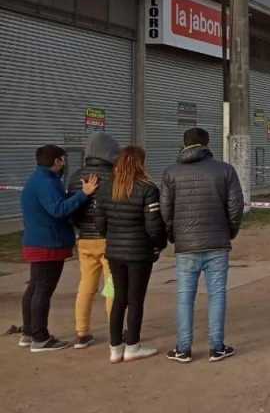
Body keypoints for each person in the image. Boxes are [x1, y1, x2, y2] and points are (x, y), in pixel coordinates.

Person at [162, 128, 244, 363]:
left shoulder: (171, 173)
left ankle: (183, 348)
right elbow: (235, 207)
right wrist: (230, 231)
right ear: (207, 144)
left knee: (184, 296)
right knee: (217, 294)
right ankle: (216, 347)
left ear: (184, 143)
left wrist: (173, 234)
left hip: (186, 244)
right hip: (218, 241)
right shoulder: (225, 170)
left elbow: (166, 211)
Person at [19, 145, 99, 352]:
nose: (64, 164)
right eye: (63, 160)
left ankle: (29, 332)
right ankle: (40, 337)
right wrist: (84, 194)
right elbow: (58, 209)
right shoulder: (46, 182)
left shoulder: (36, 180)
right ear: (57, 161)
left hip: (37, 241)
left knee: (35, 288)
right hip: (48, 244)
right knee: (42, 290)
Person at [96, 146, 167, 363]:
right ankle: (133, 345)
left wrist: (114, 238)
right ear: (140, 164)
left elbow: (100, 224)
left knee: (119, 298)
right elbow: (154, 226)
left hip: (114, 252)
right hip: (139, 252)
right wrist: (159, 245)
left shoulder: (106, 188)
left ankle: (115, 348)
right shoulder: (147, 188)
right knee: (136, 300)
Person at [66, 132, 119, 349]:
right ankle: (114, 330)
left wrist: (81, 228)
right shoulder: (115, 176)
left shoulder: (76, 177)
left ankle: (82, 332)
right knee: (112, 286)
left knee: (86, 286)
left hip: (85, 239)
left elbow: (73, 210)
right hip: (109, 239)